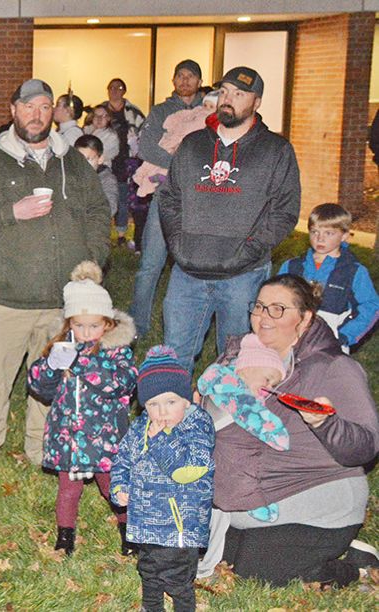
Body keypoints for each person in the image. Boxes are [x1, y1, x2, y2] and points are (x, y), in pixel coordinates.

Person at [0, 78, 109, 472]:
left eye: (44, 107)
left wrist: (94, 262)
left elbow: (97, 211)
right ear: (13, 111)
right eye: (28, 107)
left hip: (62, 301)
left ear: (53, 113)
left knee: (52, 383)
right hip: (6, 297)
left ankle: (41, 449)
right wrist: (12, 212)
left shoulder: (72, 161)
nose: (36, 115)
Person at [201, 274, 379, 587]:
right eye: (259, 307)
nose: (263, 317)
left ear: (305, 317)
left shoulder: (332, 367)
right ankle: (320, 549)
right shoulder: (239, 354)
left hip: (317, 494)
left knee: (257, 573)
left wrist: (326, 423)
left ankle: (353, 567)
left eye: (277, 309)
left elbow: (366, 446)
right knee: (210, 553)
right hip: (250, 496)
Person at [159, 66, 301, 371]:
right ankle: (173, 417)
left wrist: (249, 251)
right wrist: (178, 244)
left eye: (239, 94)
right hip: (188, 271)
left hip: (242, 274)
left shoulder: (276, 150)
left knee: (237, 360)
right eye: (224, 91)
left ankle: (227, 418)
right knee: (174, 356)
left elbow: (285, 210)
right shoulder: (193, 144)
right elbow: (170, 197)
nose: (228, 99)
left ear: (256, 102)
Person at [27, 261, 136, 556]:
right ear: (68, 323)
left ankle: (129, 531)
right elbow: (39, 388)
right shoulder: (61, 346)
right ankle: (65, 536)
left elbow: (123, 382)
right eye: (78, 325)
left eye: (94, 325)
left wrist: (83, 364)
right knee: (68, 490)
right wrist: (50, 366)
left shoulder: (117, 350)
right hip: (69, 437)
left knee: (113, 487)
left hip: (105, 436)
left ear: (108, 323)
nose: (87, 332)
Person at [111, 345, 214, 612]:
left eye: (170, 402)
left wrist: (160, 441)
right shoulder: (139, 428)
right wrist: (120, 486)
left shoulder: (197, 425)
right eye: (153, 404)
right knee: (149, 572)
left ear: (186, 400)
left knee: (178, 579)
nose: (162, 411)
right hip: (146, 522)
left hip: (179, 526)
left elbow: (188, 470)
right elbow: (123, 460)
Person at [128, 60, 205, 339]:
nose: (185, 81)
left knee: (195, 265)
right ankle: (138, 325)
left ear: (199, 81)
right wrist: (180, 164)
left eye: (191, 76)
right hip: (165, 193)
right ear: (173, 81)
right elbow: (146, 147)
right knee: (151, 263)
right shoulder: (161, 111)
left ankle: (190, 327)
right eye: (180, 76)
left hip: (200, 200)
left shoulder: (211, 111)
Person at [198, 335, 290, 523]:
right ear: (248, 367)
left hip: (210, 456)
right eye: (267, 380)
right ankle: (255, 503)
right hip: (230, 464)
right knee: (245, 468)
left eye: (273, 385)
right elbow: (268, 428)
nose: (268, 388)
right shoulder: (236, 394)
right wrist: (281, 433)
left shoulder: (219, 380)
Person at [279, 203, 379, 352]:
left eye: (329, 233)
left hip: (331, 341)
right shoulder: (292, 266)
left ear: (344, 236)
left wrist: (345, 335)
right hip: (291, 336)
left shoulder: (354, 271)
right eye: (314, 232)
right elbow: (276, 298)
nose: (320, 239)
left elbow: (371, 307)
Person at [100, 78, 146, 250]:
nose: (114, 91)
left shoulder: (133, 112)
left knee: (124, 198)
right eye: (111, 87)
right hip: (105, 160)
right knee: (105, 196)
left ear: (124, 91)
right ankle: (103, 232)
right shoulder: (101, 110)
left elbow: (143, 132)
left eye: (118, 88)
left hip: (127, 161)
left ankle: (121, 234)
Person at [74, 134, 118, 220]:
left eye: (88, 159)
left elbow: (110, 208)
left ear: (100, 159)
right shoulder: (72, 175)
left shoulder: (106, 179)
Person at [82, 104, 119, 168]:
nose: (99, 119)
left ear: (108, 118)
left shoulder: (111, 136)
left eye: (103, 116)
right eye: (96, 116)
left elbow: (100, 156)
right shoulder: (84, 131)